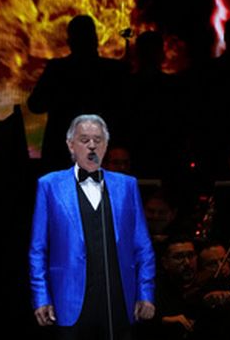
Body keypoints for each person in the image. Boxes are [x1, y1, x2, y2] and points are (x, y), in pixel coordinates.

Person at [30, 114, 156, 340]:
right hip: (69, 300)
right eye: (84, 139)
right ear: (71, 145)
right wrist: (41, 297)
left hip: (118, 299)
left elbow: (143, 247)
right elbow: (38, 249)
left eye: (98, 140)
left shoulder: (127, 186)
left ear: (106, 146)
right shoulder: (49, 185)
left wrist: (145, 293)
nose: (91, 146)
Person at [28, 16, 129, 171]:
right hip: (102, 154)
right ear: (95, 39)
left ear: (70, 42)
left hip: (63, 154)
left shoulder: (57, 70)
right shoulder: (115, 71)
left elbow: (35, 104)